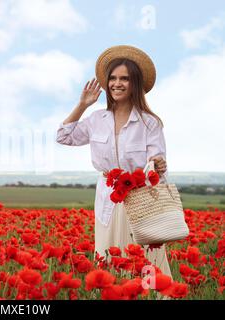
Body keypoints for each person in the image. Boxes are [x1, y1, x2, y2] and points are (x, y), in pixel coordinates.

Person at [56, 45, 172, 277]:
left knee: (144, 262)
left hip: (140, 201)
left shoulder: (150, 123)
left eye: (125, 79)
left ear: (135, 84)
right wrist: (82, 105)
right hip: (108, 198)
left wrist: (159, 164)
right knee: (109, 261)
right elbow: (63, 136)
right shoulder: (96, 119)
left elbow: (157, 166)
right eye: (113, 78)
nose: (117, 84)